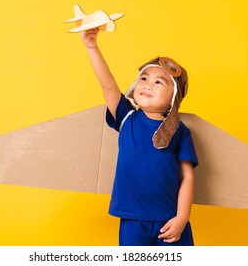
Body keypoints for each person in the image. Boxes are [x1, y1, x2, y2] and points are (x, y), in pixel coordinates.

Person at [79, 28, 198, 246]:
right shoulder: (126, 118)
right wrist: (92, 47)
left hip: (170, 221)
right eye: (144, 78)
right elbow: (107, 84)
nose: (147, 84)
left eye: (158, 82)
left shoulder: (180, 132)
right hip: (133, 220)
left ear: (173, 98)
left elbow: (187, 177)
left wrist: (182, 218)